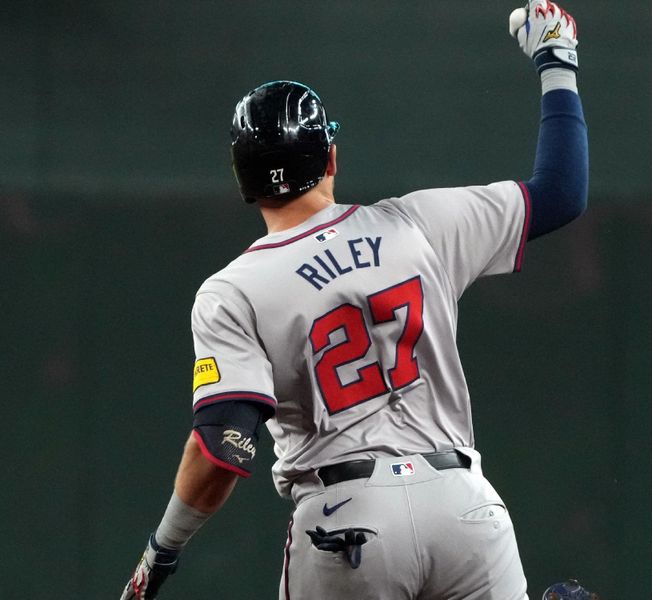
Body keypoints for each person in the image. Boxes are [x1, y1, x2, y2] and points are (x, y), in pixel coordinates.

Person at [120, 1, 588, 598]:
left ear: (242, 179)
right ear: (331, 158)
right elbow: (562, 192)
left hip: (346, 520)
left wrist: (162, 550)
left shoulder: (232, 290)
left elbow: (222, 448)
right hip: (464, 507)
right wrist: (557, 61)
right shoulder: (418, 224)